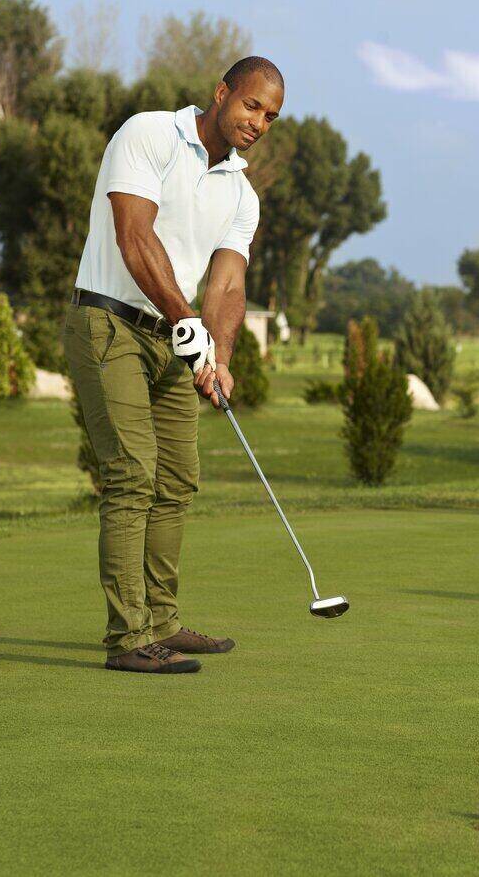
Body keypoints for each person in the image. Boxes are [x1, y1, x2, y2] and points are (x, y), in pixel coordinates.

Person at [63, 57, 284, 674]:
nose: (258, 122)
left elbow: (229, 284)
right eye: (250, 106)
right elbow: (135, 235)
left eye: (270, 116)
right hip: (109, 323)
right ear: (221, 94)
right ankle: (128, 638)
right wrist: (186, 318)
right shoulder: (150, 134)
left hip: (173, 341)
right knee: (133, 474)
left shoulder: (241, 192)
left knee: (178, 477)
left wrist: (219, 355)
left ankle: (162, 620)